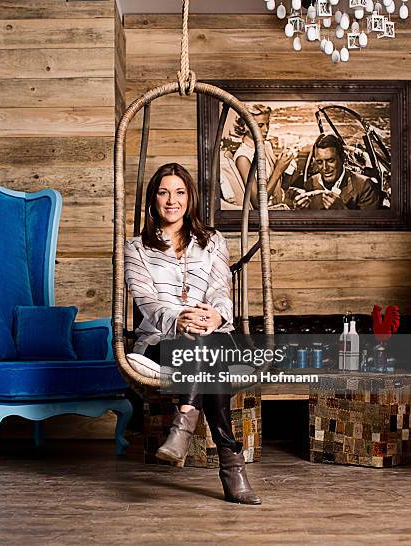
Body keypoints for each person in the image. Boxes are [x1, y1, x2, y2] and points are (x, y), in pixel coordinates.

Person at [124, 163, 261, 505]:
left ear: (191, 198)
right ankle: (232, 464)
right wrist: (180, 319)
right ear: (153, 199)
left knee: (209, 343)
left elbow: (220, 291)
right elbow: (147, 302)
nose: (172, 200)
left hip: (212, 332)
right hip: (161, 340)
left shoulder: (212, 241)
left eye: (180, 192)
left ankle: (183, 422)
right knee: (205, 350)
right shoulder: (136, 247)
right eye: (164, 192)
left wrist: (215, 316)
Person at [232, 104, 296, 209]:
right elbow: (257, 203)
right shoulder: (243, 158)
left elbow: (280, 186)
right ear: (245, 126)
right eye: (260, 125)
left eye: (268, 124)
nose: (266, 130)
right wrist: (278, 170)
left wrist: (286, 166)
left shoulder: (266, 146)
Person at [295, 134, 381, 210]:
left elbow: (369, 226)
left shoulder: (365, 186)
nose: (325, 168)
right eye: (320, 162)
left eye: (330, 161)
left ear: (343, 158)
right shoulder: (310, 183)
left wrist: (342, 211)